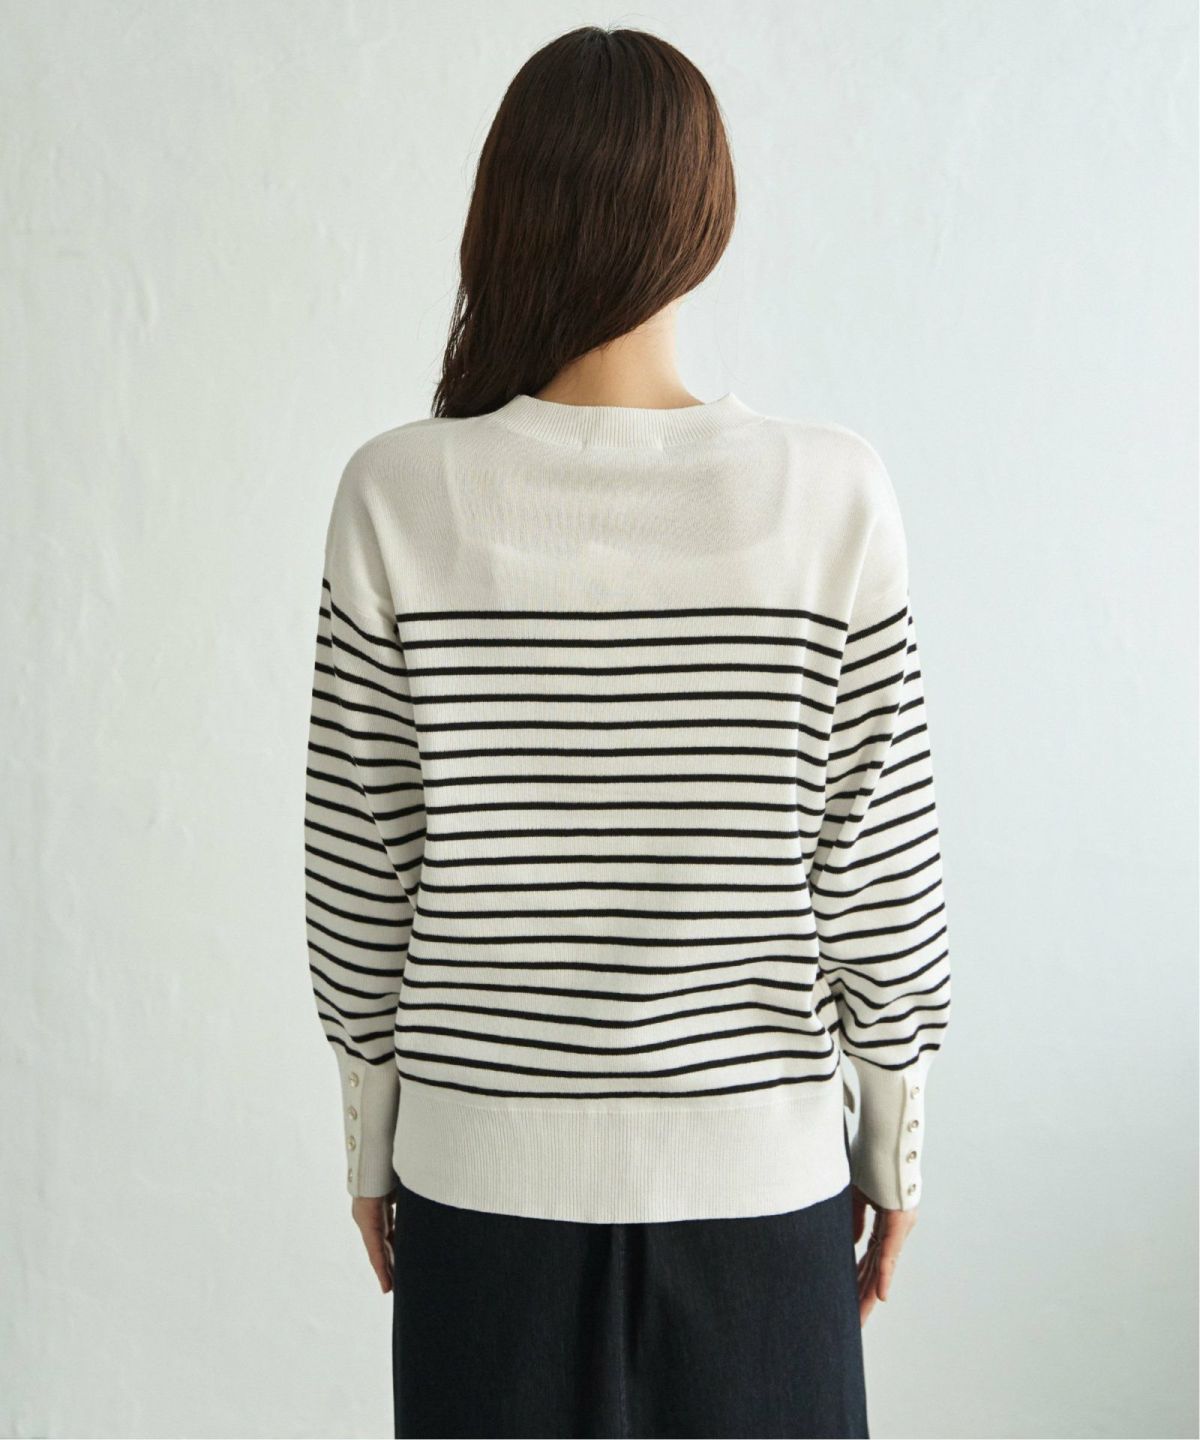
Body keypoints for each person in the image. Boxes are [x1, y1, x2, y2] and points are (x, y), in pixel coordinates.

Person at [302, 23, 952, 1440]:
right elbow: (877, 871)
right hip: (761, 1204)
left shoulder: (397, 495)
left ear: (505, 211)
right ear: (703, 217)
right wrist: (895, 1142)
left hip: (480, 1198)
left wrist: (372, 1136)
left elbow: (361, 877)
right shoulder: (831, 495)